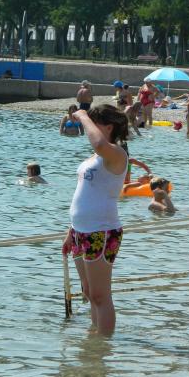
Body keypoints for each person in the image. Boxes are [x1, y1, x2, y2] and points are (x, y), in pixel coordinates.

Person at [62, 104, 128, 336]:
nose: (86, 126)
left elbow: (99, 143)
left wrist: (81, 115)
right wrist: (71, 230)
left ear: (108, 127)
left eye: (93, 122)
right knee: (90, 292)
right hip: (81, 230)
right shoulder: (94, 158)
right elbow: (86, 193)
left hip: (102, 230)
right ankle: (94, 341)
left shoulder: (116, 153)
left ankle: (103, 347)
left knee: (101, 295)